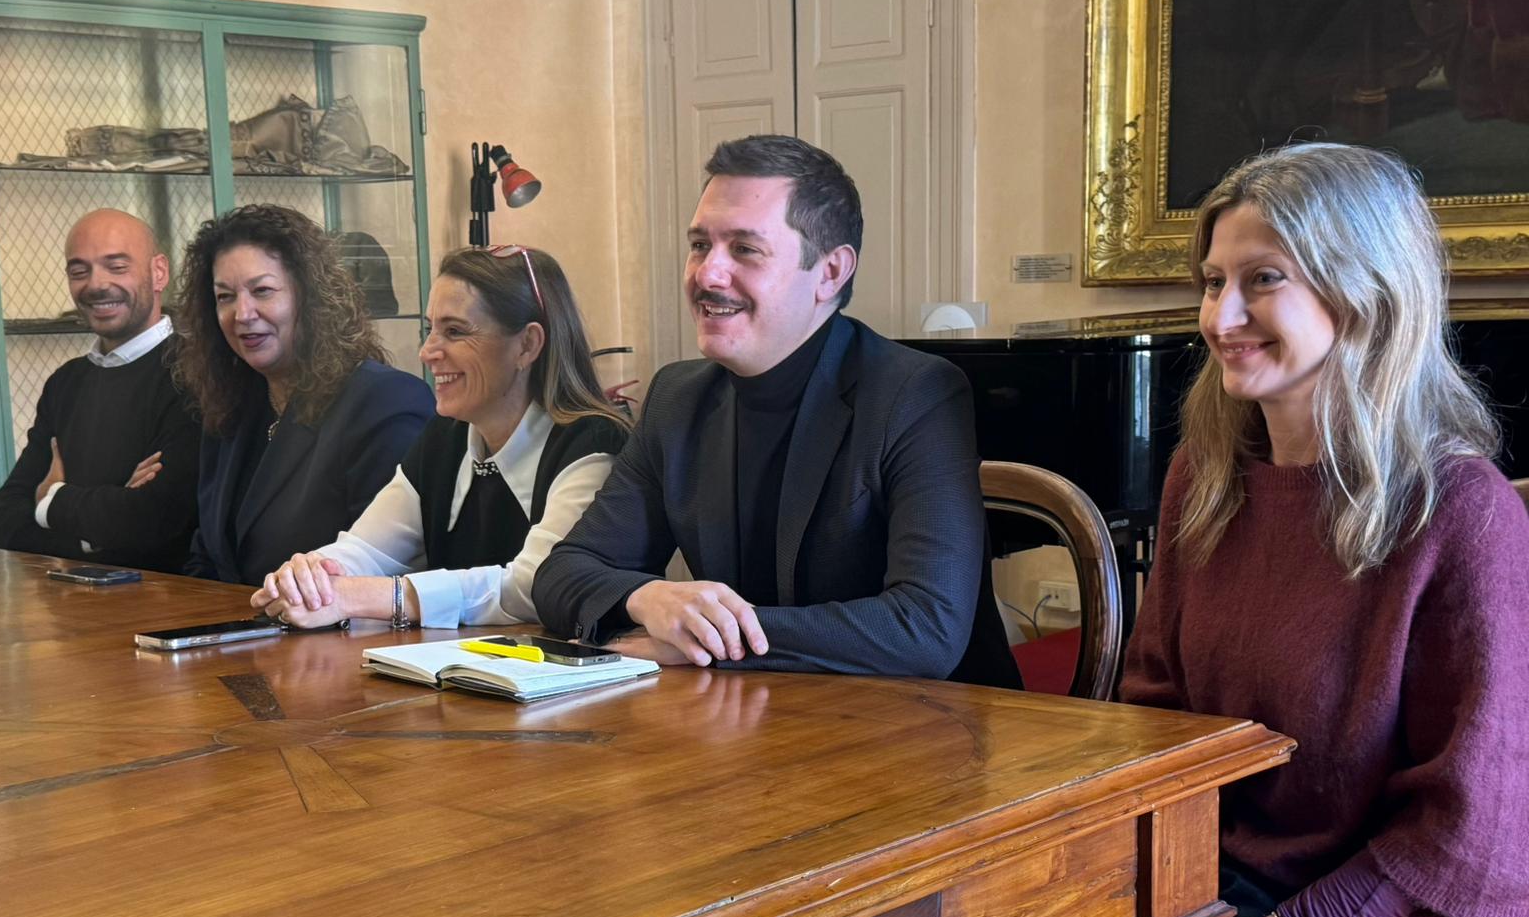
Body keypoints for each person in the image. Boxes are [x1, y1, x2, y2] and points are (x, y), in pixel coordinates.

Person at [863, 142, 1529, 917]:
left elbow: (1470, 832)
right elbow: (1156, 713)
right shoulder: (1207, 477)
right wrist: (1116, 887)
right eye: (1213, 281)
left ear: (1367, 292)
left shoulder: (1462, 513)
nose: (1220, 317)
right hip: (1216, 876)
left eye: (1263, 281)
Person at [532, 134, 1018, 687]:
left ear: (831, 272)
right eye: (699, 244)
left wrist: (710, 638)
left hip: (924, 720)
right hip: (753, 713)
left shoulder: (915, 392)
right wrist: (649, 597)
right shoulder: (677, 397)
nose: (707, 274)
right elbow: (561, 574)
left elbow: (924, 628)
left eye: (744, 249)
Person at [249, 245, 629, 628]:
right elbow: (368, 548)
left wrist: (378, 595)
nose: (427, 351)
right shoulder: (445, 437)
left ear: (527, 345)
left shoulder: (593, 443)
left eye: (455, 331)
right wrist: (311, 577)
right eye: (430, 329)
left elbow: (535, 587)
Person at [173, 204, 433, 586]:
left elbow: (386, 566)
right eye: (225, 296)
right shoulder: (231, 407)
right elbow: (207, 557)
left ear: (310, 297)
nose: (242, 314)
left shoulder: (385, 402)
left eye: (262, 291)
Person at [0, 208, 200, 573]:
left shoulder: (197, 374)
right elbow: (5, 521)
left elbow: (158, 524)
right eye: (79, 271)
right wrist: (98, 534)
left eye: (117, 266)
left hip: (167, 601)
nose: (96, 284)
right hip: (70, 600)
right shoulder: (65, 383)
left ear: (159, 272)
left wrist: (51, 498)